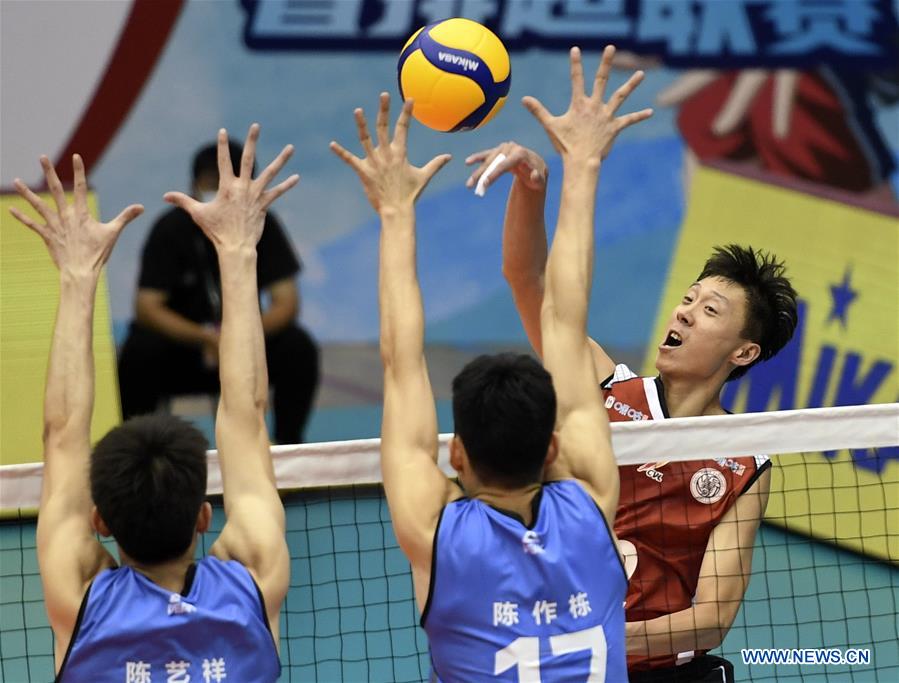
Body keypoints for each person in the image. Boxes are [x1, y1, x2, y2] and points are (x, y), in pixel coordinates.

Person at [330, 43, 651, 681]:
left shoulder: (437, 535)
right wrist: (581, 164)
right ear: (555, 443)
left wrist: (395, 214)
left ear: (456, 454)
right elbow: (564, 319)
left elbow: (399, 364)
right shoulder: (593, 504)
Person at [467, 87, 799, 683]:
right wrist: (531, 187)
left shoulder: (747, 459)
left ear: (744, 351)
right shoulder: (602, 389)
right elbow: (527, 279)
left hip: (657, 669)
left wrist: (605, 636)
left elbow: (711, 617)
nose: (685, 313)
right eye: (688, 299)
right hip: (562, 651)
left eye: (711, 311)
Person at [9, 125, 296, 681]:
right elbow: (247, 413)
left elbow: (63, 431)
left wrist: (77, 276)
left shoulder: (81, 602)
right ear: (203, 517)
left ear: (99, 521)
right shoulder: (253, 582)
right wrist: (238, 253)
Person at [118, 139, 319, 444]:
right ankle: (137, 453)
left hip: (247, 344)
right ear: (194, 184)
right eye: (213, 182)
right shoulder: (170, 229)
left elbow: (286, 301)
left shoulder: (264, 225)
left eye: (233, 181)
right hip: (187, 349)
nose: (222, 191)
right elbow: (148, 306)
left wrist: (240, 334)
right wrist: (204, 337)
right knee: (139, 352)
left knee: (298, 347)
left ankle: (288, 449)